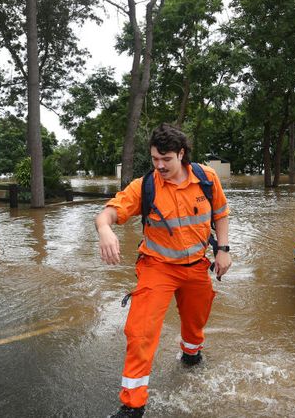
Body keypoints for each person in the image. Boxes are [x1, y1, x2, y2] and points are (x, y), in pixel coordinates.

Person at [95, 123, 232, 418]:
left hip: (196, 265)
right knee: (140, 331)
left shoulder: (206, 179)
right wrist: (104, 229)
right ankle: (133, 404)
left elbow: (221, 214)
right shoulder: (145, 186)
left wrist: (223, 250)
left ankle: (191, 354)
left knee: (197, 319)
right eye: (155, 159)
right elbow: (106, 213)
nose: (160, 166)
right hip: (157, 267)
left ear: (181, 154)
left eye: (166, 159)